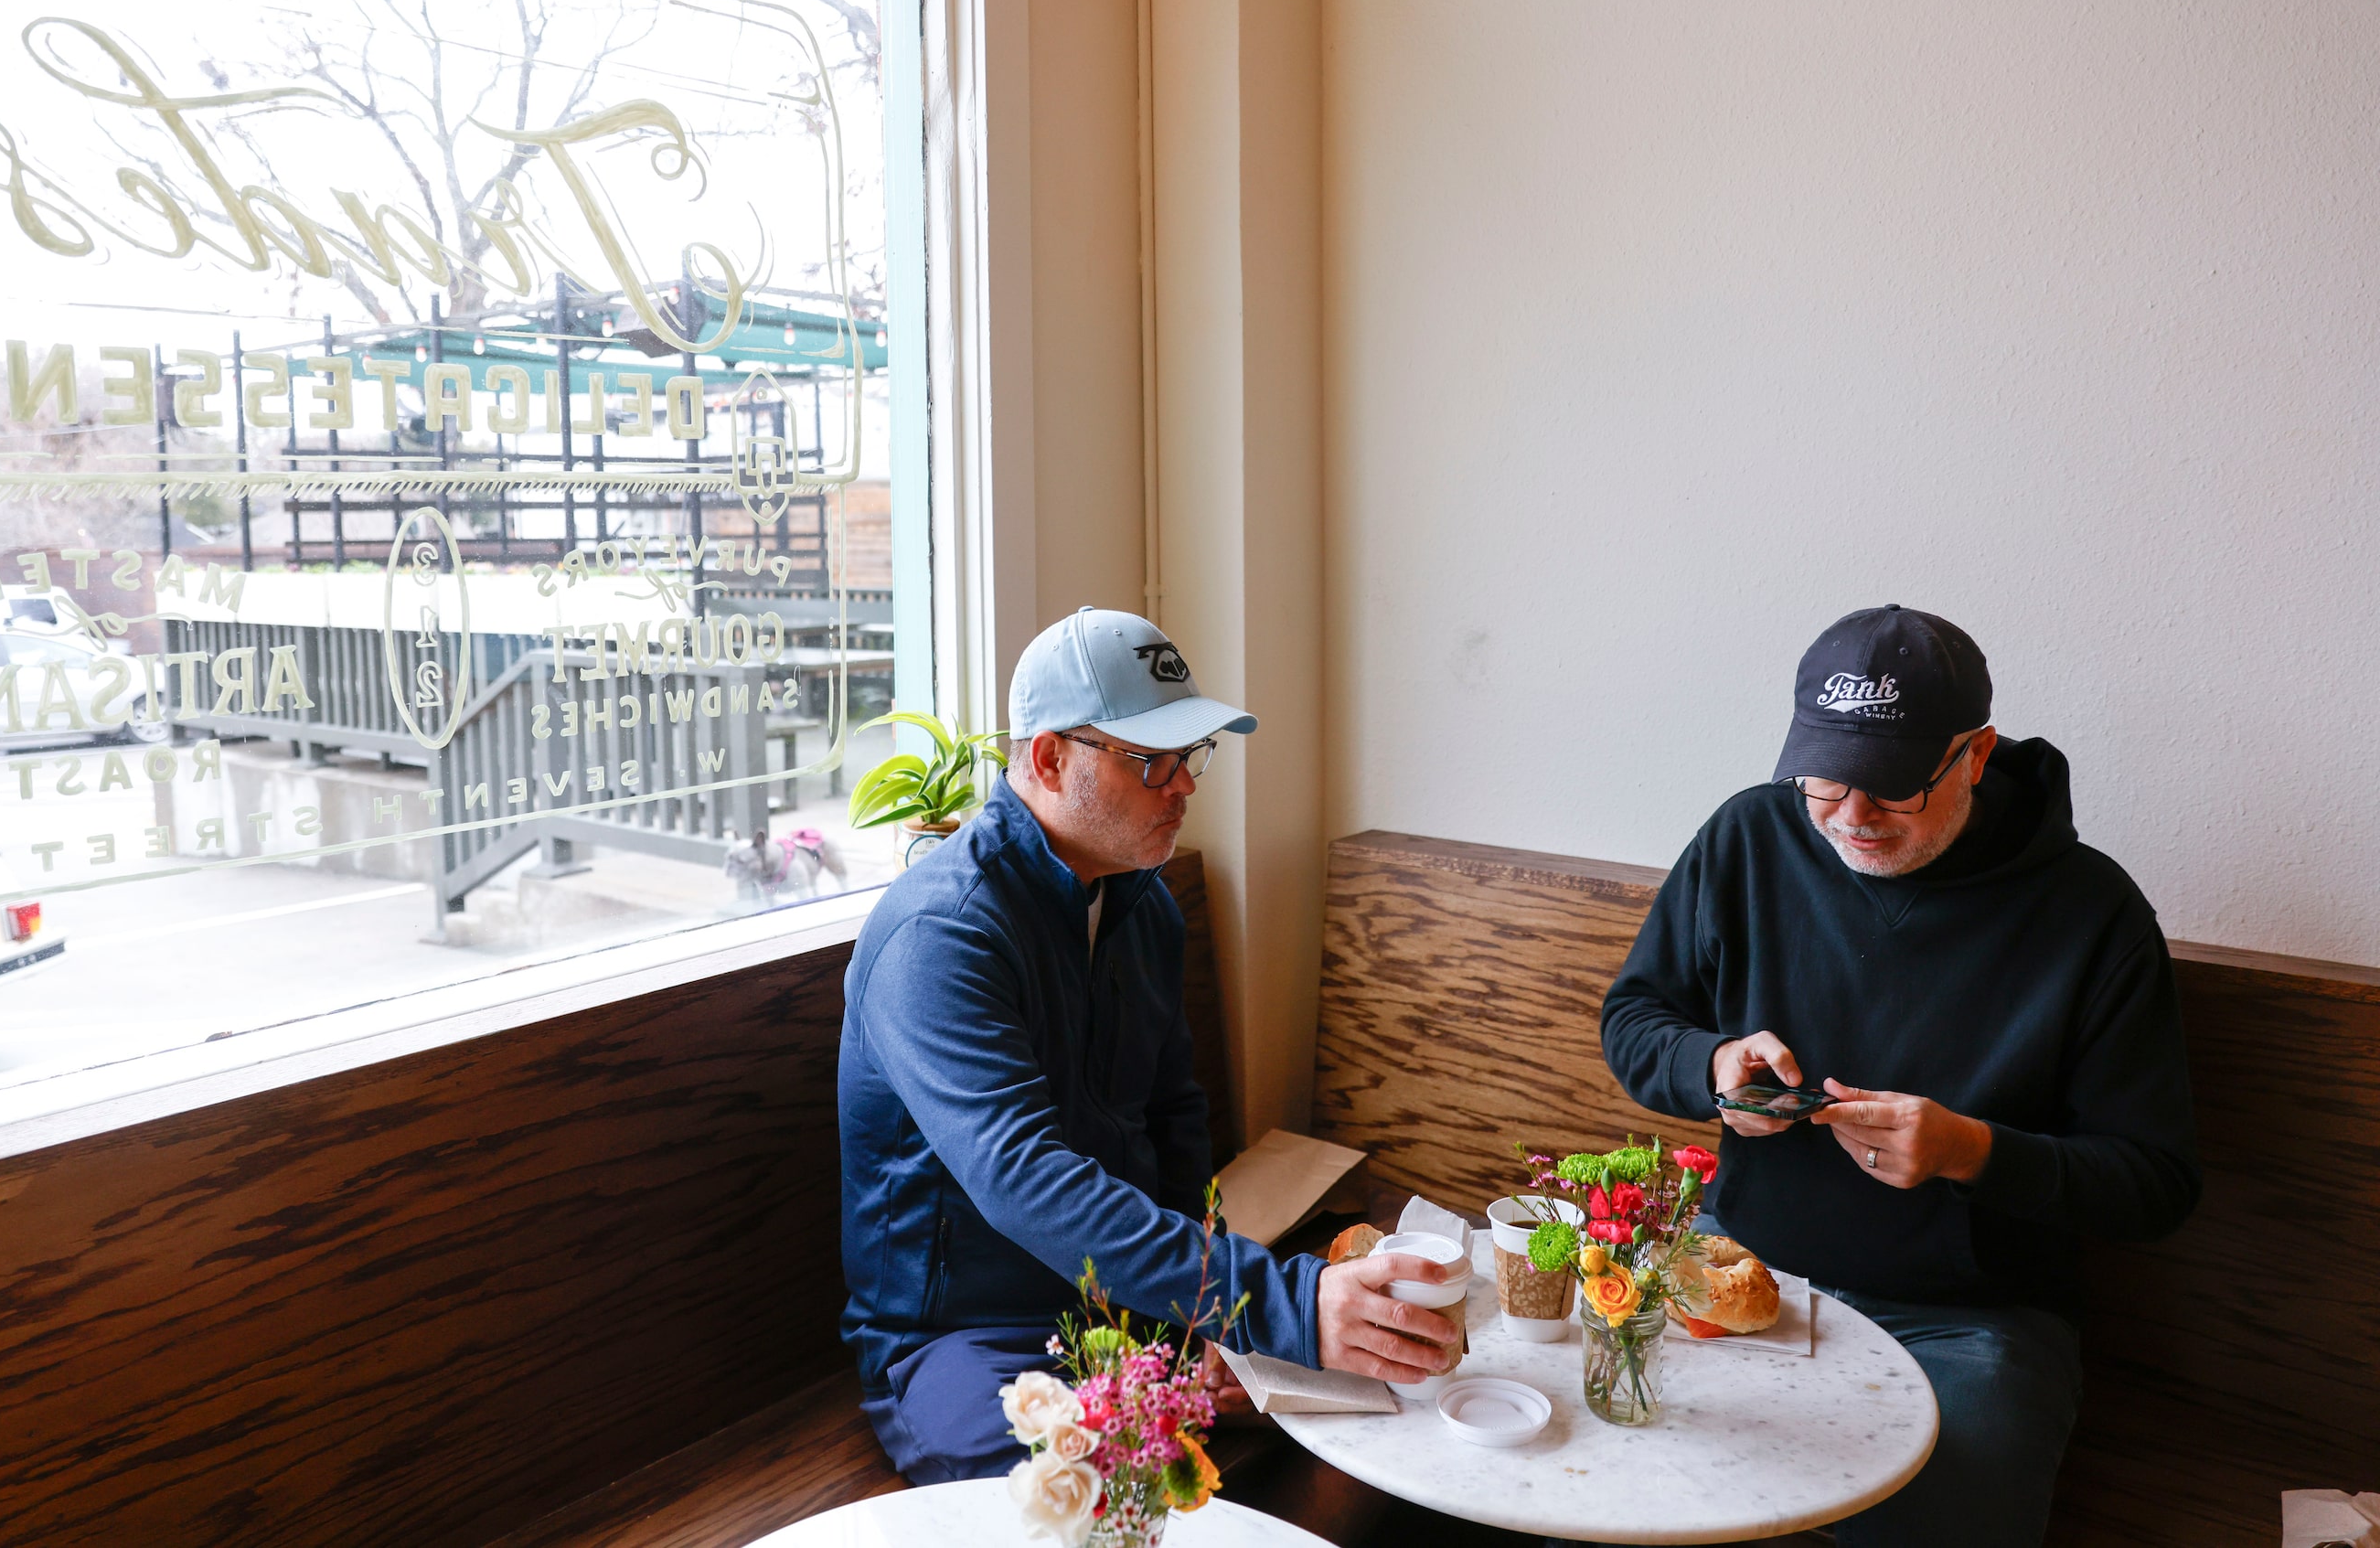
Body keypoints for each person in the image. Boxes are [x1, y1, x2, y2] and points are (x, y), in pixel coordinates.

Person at [1601, 604, 2201, 1548]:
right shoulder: (1750, 838)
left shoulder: (2092, 915)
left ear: (1973, 755)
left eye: (1889, 789)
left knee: (1941, 1511)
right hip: (1738, 1262)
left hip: (1970, 1322)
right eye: (1823, 783)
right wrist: (1710, 1066)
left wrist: (1972, 1152)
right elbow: (1632, 1019)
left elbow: (2155, 1186)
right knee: (1605, 1477)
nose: (1849, 818)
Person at [838, 607, 1458, 1484]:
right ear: (1050, 759)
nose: (1185, 786)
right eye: (1150, 761)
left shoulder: (1141, 907)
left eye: (1190, 755)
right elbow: (1025, 1179)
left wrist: (1203, 1326)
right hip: (964, 1339)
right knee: (1084, 1495)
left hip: (1128, 1306)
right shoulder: (940, 936)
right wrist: (1273, 1304)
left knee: (1408, 1409)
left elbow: (1174, 1123)